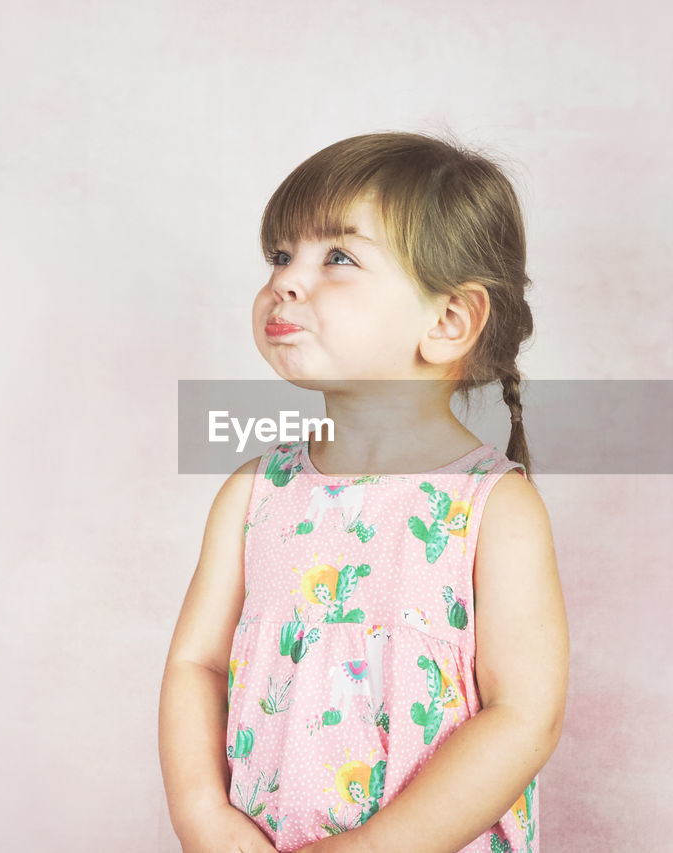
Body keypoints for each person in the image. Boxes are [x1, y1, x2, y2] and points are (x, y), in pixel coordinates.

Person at [159, 131, 568, 853]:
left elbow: (523, 717)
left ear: (447, 321)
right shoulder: (253, 496)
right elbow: (197, 663)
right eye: (281, 255)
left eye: (337, 257)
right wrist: (202, 815)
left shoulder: (494, 510)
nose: (286, 280)